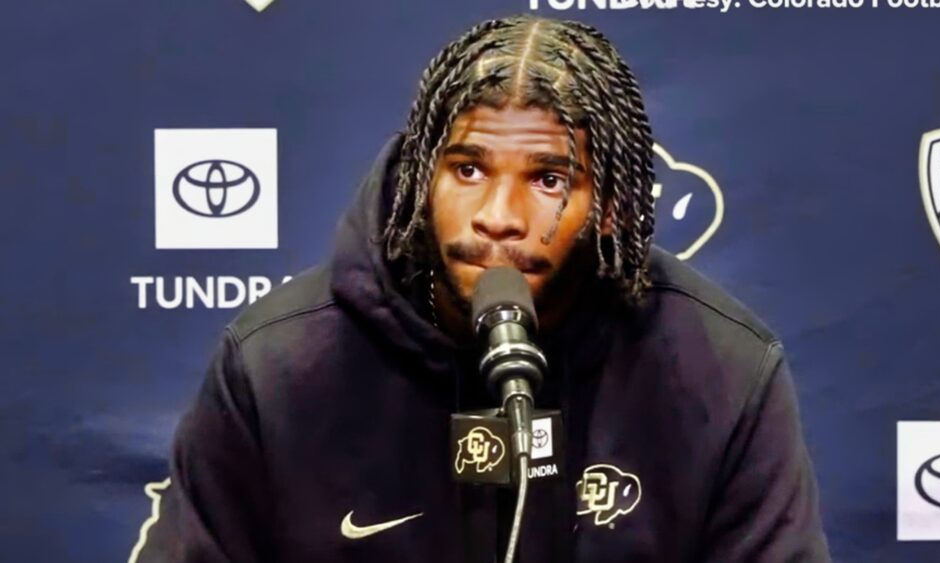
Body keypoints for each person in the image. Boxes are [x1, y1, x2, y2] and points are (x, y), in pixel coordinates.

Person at [131, 14, 831, 562]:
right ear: (420, 178)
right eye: (467, 169)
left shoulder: (720, 372)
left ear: (613, 204)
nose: (498, 216)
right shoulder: (279, 366)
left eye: (549, 180)